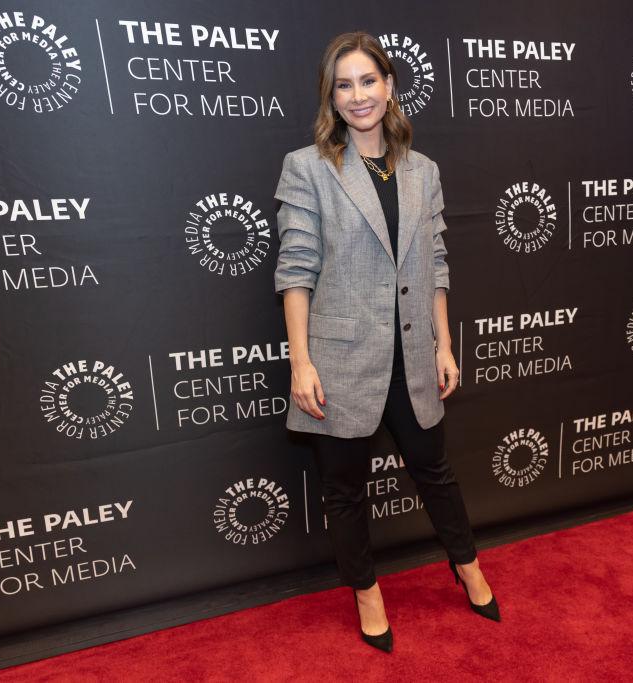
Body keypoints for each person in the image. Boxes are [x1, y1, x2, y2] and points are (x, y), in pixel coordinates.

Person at [273, 31, 500, 653]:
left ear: (390, 85)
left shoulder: (423, 172)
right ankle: (367, 593)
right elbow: (296, 272)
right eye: (343, 85)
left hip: (414, 356)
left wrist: (444, 344)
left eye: (368, 81)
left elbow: (436, 265)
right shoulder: (309, 168)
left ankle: (467, 565)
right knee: (344, 490)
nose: (358, 95)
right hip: (341, 359)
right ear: (332, 97)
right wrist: (302, 361)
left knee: (436, 471)